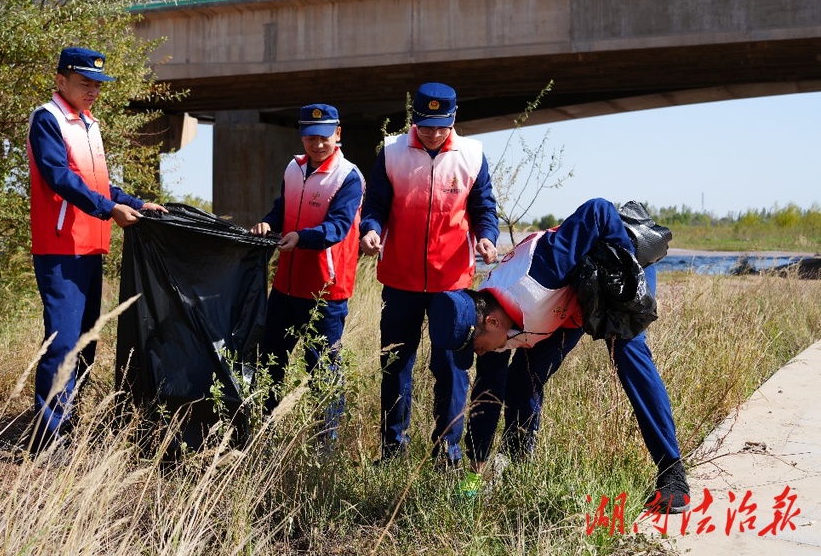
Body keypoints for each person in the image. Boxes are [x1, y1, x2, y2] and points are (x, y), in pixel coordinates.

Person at [463, 197, 690, 513]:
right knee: (522, 376)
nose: (480, 354)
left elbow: (599, 211)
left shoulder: (543, 269)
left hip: (620, 260)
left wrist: (622, 274)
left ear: (492, 323)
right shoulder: (484, 325)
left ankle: (672, 474)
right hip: (569, 304)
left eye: (478, 347)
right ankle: (517, 466)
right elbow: (487, 396)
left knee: (625, 350)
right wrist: (473, 477)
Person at [27, 46, 167, 453]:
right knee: (64, 341)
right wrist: (110, 209)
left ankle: (68, 424)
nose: (93, 90)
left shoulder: (88, 124)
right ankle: (48, 440)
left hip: (88, 246)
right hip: (60, 249)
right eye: (84, 82)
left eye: (98, 84)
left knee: (86, 343)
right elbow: (60, 178)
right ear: (61, 81)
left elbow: (97, 183)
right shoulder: (48, 119)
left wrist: (136, 202)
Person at [358, 82, 500, 466]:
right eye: (425, 125)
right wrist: (369, 229)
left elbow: (485, 208)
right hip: (400, 279)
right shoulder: (391, 152)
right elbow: (375, 204)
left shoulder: (472, 156)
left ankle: (447, 455)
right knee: (396, 365)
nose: (434, 133)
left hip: (452, 284)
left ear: (453, 119)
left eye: (441, 125)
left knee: (452, 369)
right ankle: (391, 451)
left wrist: (486, 238)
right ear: (414, 120)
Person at [250, 104, 365, 439]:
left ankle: (323, 449)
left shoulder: (349, 177)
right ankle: (264, 434)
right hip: (285, 287)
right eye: (310, 137)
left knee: (323, 373)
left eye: (324, 137)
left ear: (338, 134)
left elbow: (338, 228)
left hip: (324, 293)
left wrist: (301, 238)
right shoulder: (293, 167)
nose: (317, 144)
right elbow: (281, 208)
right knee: (270, 365)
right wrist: (267, 223)